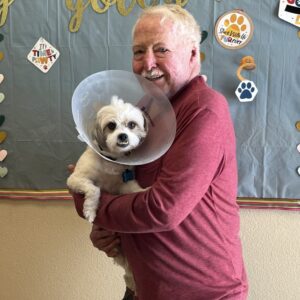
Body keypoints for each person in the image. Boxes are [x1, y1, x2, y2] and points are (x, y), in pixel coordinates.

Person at [71, 4, 248, 300]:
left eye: (161, 50)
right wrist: (107, 228)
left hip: (202, 293)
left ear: (193, 54)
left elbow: (163, 209)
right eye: (139, 52)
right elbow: (116, 177)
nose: (147, 63)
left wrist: (92, 206)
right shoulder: (145, 109)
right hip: (144, 287)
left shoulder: (204, 110)